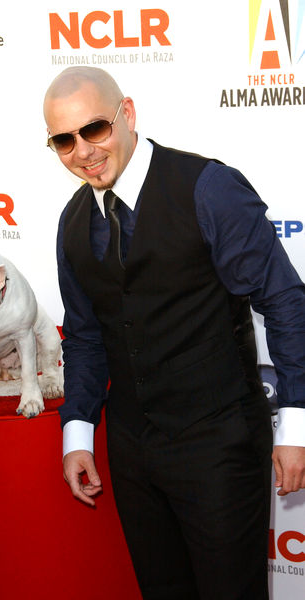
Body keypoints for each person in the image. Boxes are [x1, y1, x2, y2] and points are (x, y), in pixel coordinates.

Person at [43, 66, 305, 600]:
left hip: (219, 446)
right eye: (63, 140)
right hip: (134, 453)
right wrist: (77, 434)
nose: (83, 151)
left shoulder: (208, 189)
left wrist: (296, 425)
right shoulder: (72, 223)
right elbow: (86, 337)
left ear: (128, 113)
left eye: (94, 129)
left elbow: (283, 301)